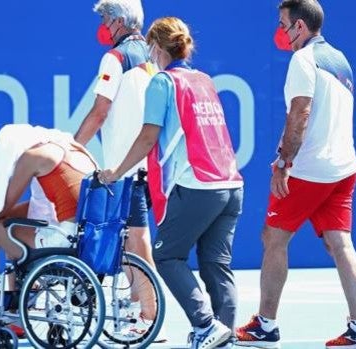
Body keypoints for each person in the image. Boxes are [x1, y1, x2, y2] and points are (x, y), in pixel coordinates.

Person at [235, 1, 356, 349]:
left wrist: (284, 163)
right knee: (340, 244)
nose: (281, 31)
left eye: (283, 24)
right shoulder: (340, 60)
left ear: (299, 26)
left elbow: (300, 114)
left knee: (273, 238)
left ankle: (265, 326)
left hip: (309, 170)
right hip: (344, 168)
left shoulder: (303, 60)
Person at [100, 16, 244, 349]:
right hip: (231, 185)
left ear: (155, 46)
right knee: (216, 266)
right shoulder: (204, 79)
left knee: (166, 257)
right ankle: (224, 335)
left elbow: (148, 137)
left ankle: (206, 325)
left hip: (197, 185)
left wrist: (116, 170)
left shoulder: (162, 82)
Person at [0, 124, 98, 338]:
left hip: (62, 242)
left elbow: (1, 206)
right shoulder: (73, 149)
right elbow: (42, 206)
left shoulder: (33, 156)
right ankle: (15, 312)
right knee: (9, 227)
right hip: (87, 240)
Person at [74, 0, 162, 336]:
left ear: (120, 21)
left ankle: (149, 318)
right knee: (128, 242)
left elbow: (99, 112)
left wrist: (73, 148)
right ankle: (142, 312)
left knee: (137, 241)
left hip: (128, 170)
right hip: (148, 167)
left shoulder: (115, 58)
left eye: (107, 19)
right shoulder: (154, 57)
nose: (104, 26)